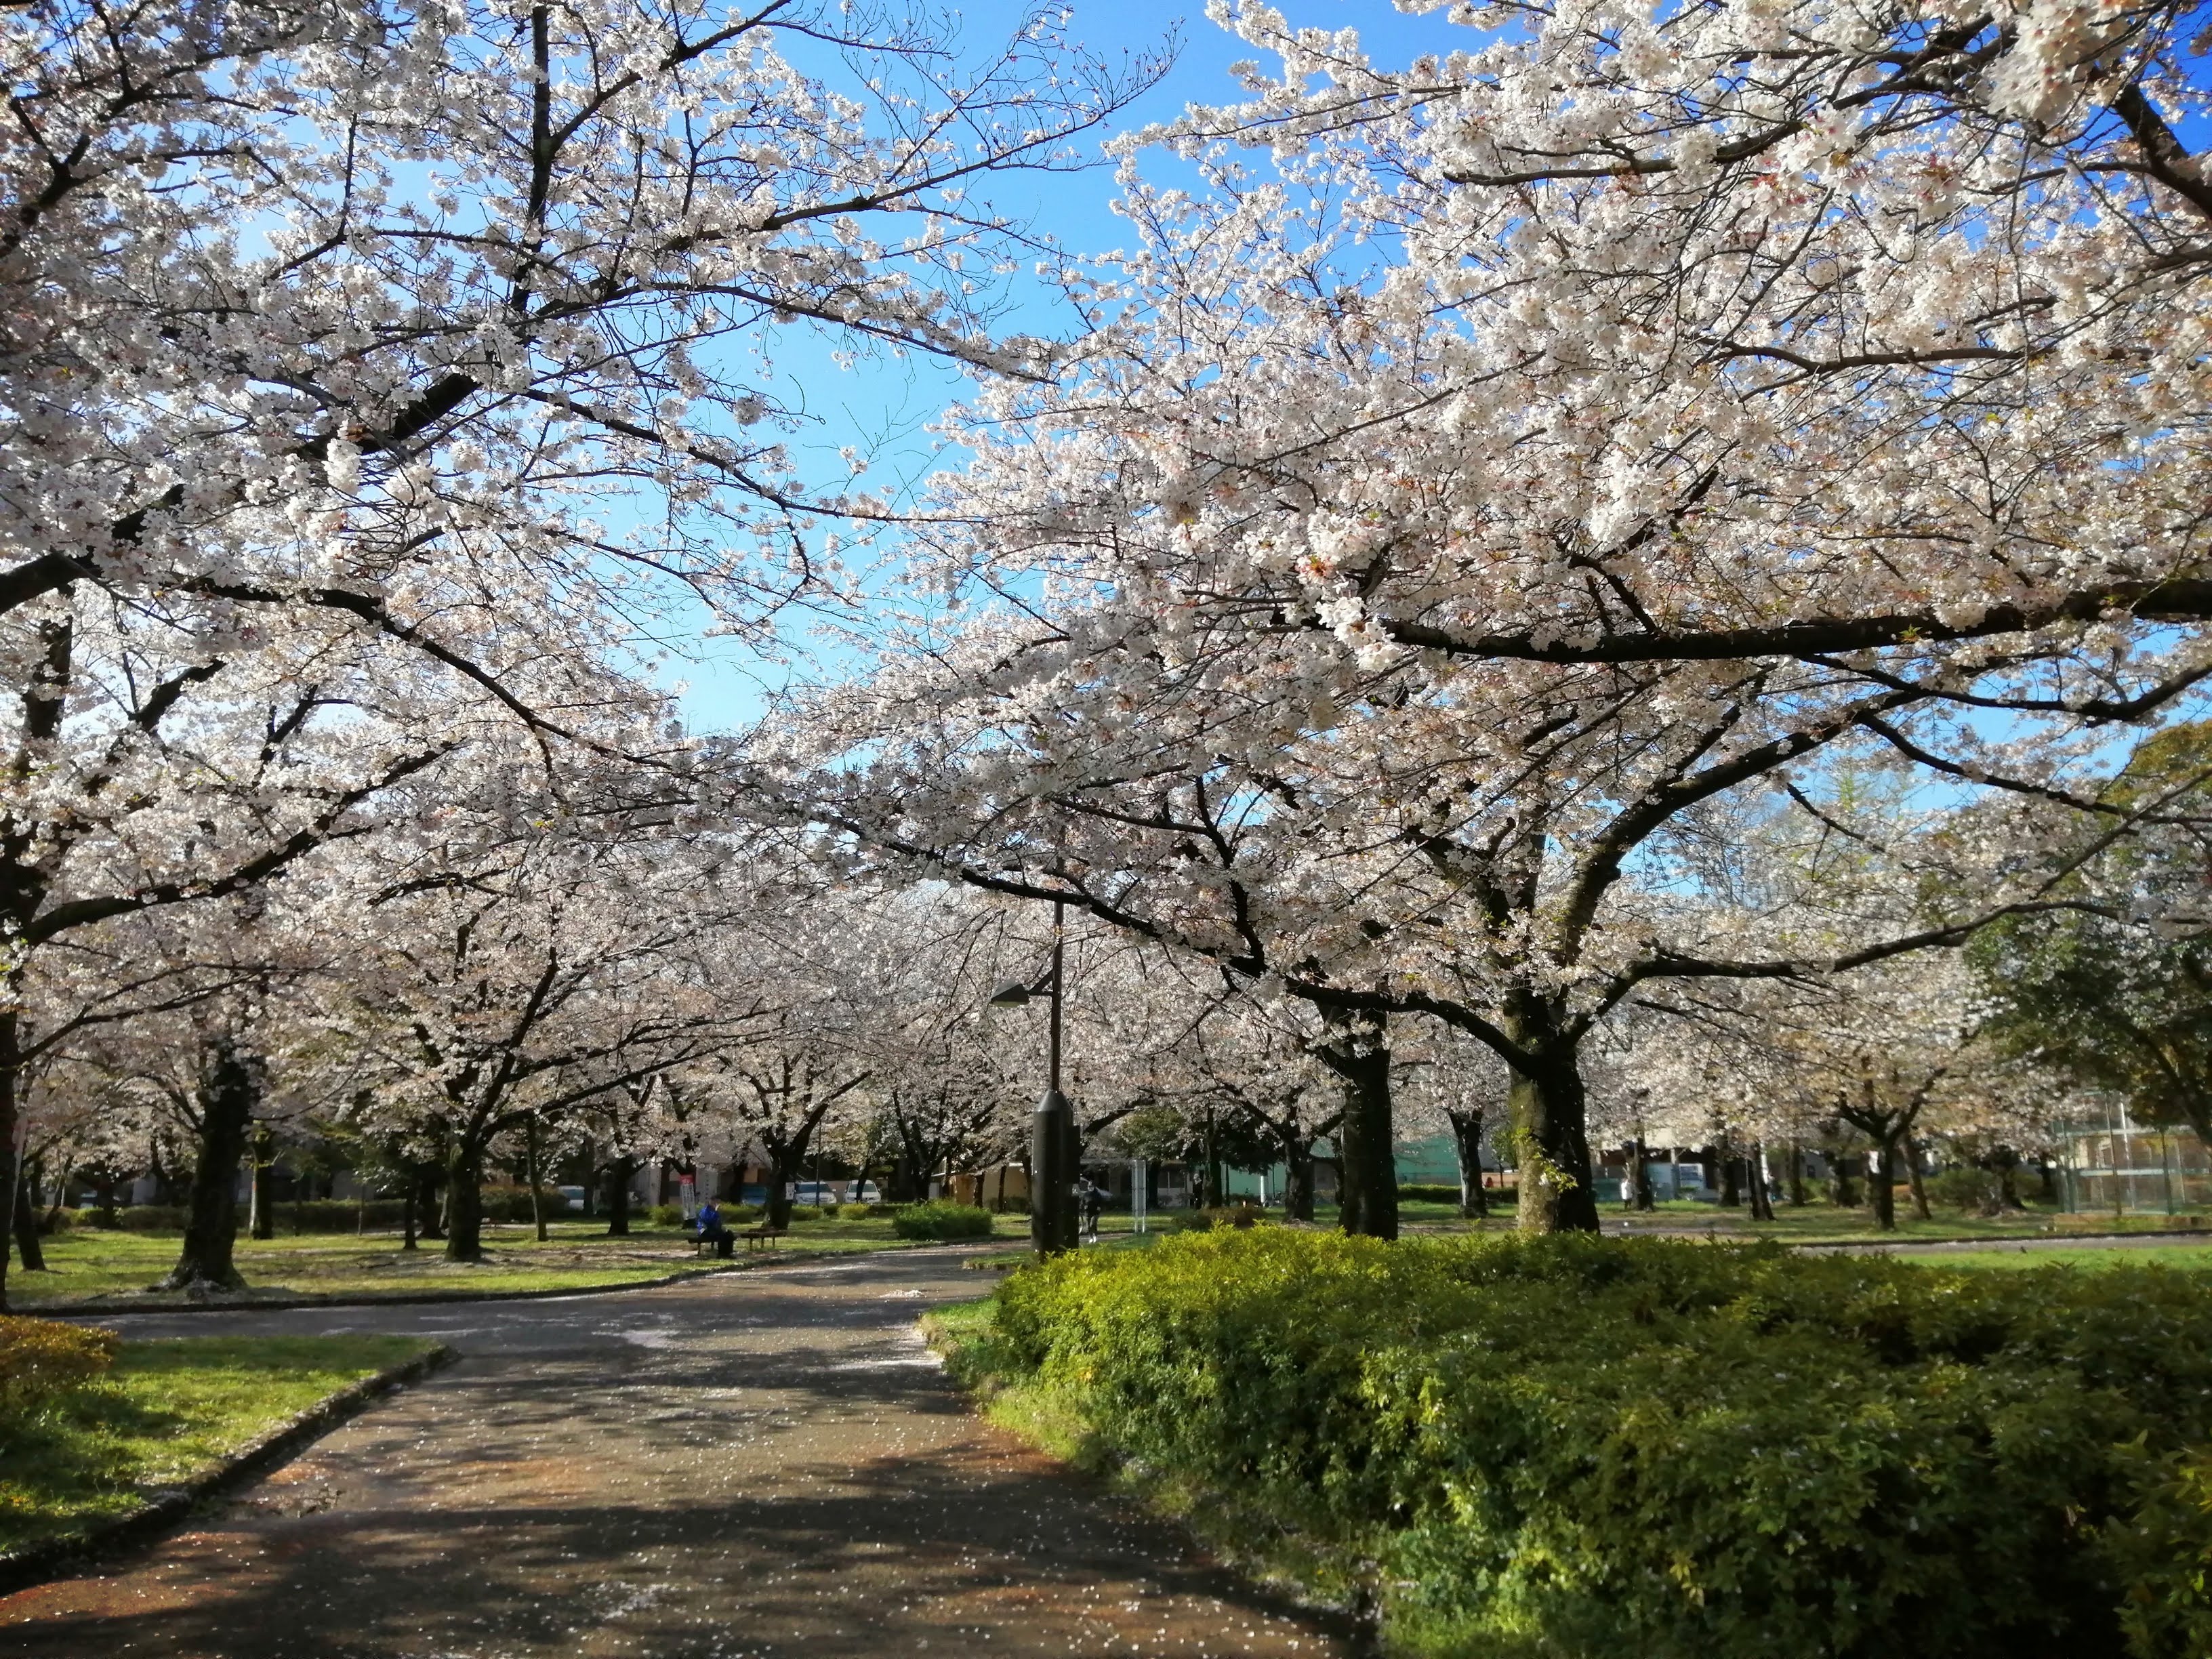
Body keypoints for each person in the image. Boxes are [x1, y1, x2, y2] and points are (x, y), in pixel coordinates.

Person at [1078, 1176, 1103, 1244]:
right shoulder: (1086, 1194)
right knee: (1088, 1226)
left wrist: (1099, 1207)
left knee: (1093, 1224)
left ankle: (1095, 1236)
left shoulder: (1097, 1194)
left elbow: (1101, 1202)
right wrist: (1083, 1207)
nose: (1090, 1188)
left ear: (1094, 1187)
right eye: (1089, 1187)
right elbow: (1083, 1202)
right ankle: (1091, 1237)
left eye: (1091, 1187)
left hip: (1095, 1212)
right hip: (1088, 1212)